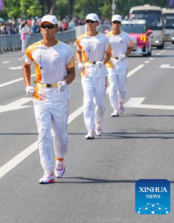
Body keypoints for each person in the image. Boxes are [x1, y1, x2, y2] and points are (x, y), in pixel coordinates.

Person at [23, 15, 76, 184]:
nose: (46, 29)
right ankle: (47, 171)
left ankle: (60, 160)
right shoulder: (33, 49)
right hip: (41, 95)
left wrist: (65, 82)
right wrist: (27, 84)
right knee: (43, 133)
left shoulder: (65, 50)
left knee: (60, 135)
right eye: (43, 26)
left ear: (56, 29)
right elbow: (25, 66)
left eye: (50, 26)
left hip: (59, 95)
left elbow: (72, 72)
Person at [76, 13, 112, 139]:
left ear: (97, 23)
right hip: (86, 71)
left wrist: (103, 62)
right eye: (87, 21)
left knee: (100, 103)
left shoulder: (103, 38)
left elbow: (108, 54)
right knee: (88, 101)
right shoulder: (81, 38)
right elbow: (78, 51)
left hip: (100, 71)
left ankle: (98, 122)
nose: (89, 23)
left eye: (92, 21)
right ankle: (90, 129)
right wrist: (80, 62)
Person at [106, 15, 133, 117]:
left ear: (121, 24)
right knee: (112, 87)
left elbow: (131, 47)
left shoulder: (125, 36)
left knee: (121, 88)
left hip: (122, 63)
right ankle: (115, 109)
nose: (116, 24)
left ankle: (121, 102)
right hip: (111, 63)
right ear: (111, 24)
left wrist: (125, 55)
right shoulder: (107, 36)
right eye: (114, 22)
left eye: (118, 22)